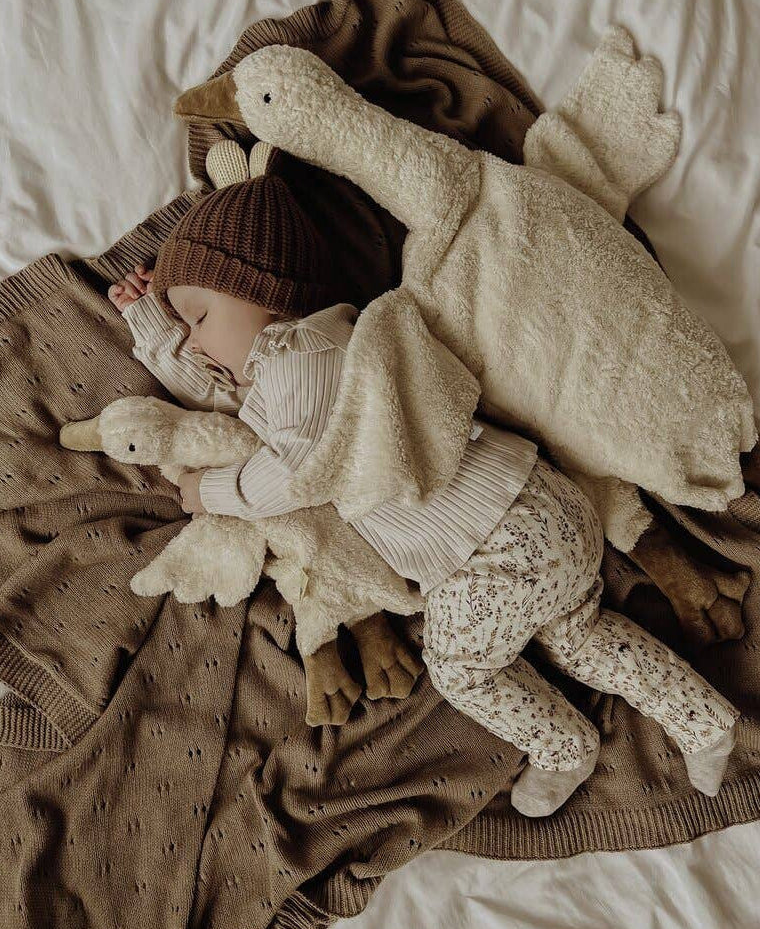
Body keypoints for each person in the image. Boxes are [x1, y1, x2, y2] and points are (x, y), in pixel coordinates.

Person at [108, 166, 739, 817]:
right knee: (580, 636)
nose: (193, 339)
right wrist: (152, 327)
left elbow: (291, 474)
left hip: (488, 545)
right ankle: (700, 719)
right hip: (543, 514)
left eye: (199, 317)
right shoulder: (307, 354)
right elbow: (219, 392)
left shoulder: (306, 361)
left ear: (261, 290)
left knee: (458, 667)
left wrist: (210, 493)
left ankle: (563, 746)